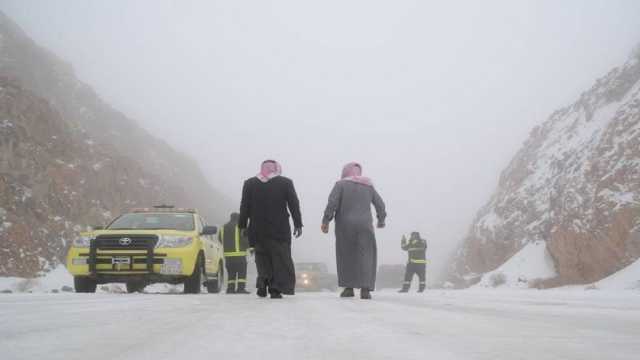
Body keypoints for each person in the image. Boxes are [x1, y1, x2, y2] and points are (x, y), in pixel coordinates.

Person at [239, 160, 303, 299]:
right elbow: (293, 204)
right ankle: (275, 288)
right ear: (276, 169)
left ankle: (263, 281)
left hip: (257, 229)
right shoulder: (285, 182)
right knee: (279, 259)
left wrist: (242, 225)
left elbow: (244, 206)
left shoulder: (250, 183)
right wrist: (298, 223)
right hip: (278, 229)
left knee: (261, 257)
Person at [321, 162, 386, 300]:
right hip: (365, 226)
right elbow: (380, 204)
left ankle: (348, 288)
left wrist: (326, 220)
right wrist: (381, 219)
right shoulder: (368, 186)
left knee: (346, 255)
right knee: (366, 255)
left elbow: (332, 203)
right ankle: (365, 289)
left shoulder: (340, 185)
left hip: (345, 226)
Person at [219, 212, 251, 294]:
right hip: (240, 255)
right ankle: (240, 289)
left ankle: (230, 289)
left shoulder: (223, 227)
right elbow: (245, 239)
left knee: (231, 273)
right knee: (241, 273)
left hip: (228, 256)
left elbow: (220, 239)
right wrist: (249, 248)